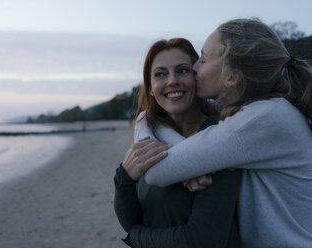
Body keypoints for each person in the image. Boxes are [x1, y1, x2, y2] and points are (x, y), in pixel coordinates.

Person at [134, 19, 312, 247]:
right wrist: (145, 121)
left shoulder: (259, 120)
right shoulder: (266, 110)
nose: (195, 67)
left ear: (232, 77)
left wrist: (143, 127)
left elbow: (155, 170)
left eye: (204, 59)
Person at [114, 38, 241, 248]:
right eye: (160, 74)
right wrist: (124, 178)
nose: (172, 81)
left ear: (196, 77)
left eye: (182, 70)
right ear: (152, 88)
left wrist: (137, 238)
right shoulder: (150, 135)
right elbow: (132, 221)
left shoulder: (218, 138)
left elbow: (204, 240)